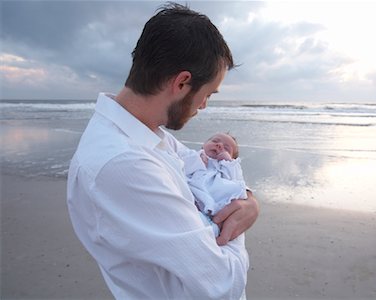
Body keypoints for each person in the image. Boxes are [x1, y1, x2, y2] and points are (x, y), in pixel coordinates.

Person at [66, 2, 259, 299]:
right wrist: (238, 220)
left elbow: (201, 166)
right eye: (207, 94)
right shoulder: (124, 163)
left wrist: (247, 201)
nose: (204, 106)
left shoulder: (145, 133)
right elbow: (224, 282)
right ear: (182, 82)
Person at [179, 133, 248, 237]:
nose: (219, 145)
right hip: (192, 191)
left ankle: (213, 230)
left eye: (226, 148)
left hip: (213, 199)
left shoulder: (227, 166)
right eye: (215, 141)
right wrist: (196, 160)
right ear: (203, 145)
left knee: (208, 223)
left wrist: (228, 162)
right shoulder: (194, 155)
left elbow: (234, 180)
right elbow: (180, 167)